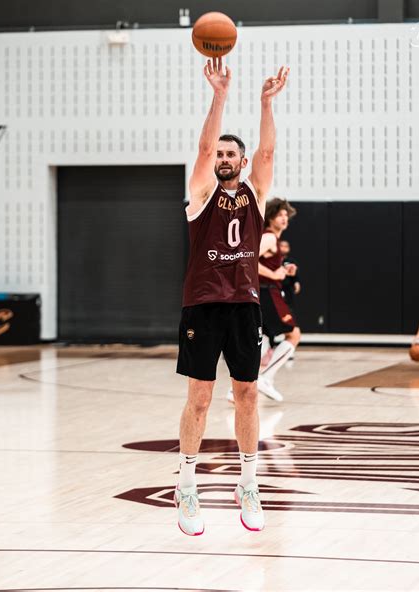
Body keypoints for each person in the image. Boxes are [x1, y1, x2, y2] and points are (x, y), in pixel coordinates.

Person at [175, 57, 289, 536]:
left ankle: (248, 483)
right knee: (199, 399)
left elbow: (266, 154)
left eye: (230, 155)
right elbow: (202, 147)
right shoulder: (200, 195)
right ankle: (186, 485)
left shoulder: (255, 194)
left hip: (245, 305)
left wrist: (265, 102)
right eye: (219, 154)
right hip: (202, 304)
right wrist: (220, 94)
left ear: (240, 164)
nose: (222, 158)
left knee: (246, 395)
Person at [257, 198, 301, 401]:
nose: (284, 218)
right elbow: (247, 260)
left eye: (286, 215)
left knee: (260, 342)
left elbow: (265, 263)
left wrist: (283, 270)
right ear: (270, 217)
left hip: (264, 291)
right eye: (279, 215)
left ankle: (236, 391)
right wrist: (274, 275)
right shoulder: (269, 238)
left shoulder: (272, 240)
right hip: (266, 292)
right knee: (294, 335)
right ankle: (265, 378)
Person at [279, 239, 301, 313]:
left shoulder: (291, 261)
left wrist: (296, 283)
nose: (284, 248)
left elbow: (295, 275)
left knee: (288, 308)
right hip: (275, 287)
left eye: (286, 246)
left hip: (287, 287)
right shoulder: (274, 260)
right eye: (281, 246)